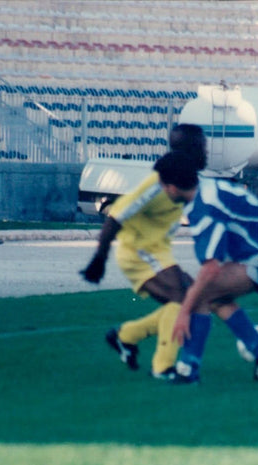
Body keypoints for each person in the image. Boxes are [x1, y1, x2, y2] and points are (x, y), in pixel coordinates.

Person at [79, 125, 207, 380]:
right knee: (181, 299)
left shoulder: (188, 180)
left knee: (194, 299)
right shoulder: (157, 184)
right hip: (138, 251)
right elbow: (116, 216)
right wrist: (99, 260)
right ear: (190, 150)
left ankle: (126, 336)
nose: (206, 151)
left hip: (159, 252)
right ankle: (162, 367)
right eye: (202, 146)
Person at [164, 156, 258, 384]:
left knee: (199, 293)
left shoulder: (204, 208)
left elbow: (211, 268)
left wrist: (184, 312)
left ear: (172, 187)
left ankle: (188, 370)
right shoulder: (208, 187)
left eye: (162, 185)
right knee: (215, 298)